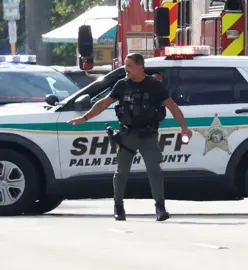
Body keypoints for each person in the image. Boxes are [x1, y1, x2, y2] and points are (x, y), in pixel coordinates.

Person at [67, 53, 192, 222]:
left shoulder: (154, 86)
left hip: (149, 135)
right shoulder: (122, 85)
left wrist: (184, 127)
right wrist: (84, 118)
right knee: (121, 172)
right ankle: (118, 206)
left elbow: (172, 106)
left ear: (141, 67)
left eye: (130, 66)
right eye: (126, 66)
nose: (127, 69)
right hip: (127, 135)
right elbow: (103, 103)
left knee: (155, 171)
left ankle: (160, 207)